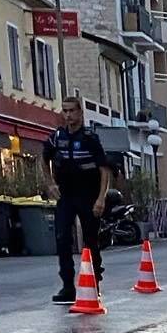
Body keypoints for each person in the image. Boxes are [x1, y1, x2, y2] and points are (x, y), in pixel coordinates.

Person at [43, 94, 111, 303]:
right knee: (62, 238)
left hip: (87, 194)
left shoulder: (90, 138)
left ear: (80, 112)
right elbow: (43, 159)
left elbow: (104, 169)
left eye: (72, 110)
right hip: (66, 194)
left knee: (91, 239)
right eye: (65, 111)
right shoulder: (57, 137)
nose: (68, 115)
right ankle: (67, 286)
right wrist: (50, 184)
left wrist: (101, 198)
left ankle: (93, 282)